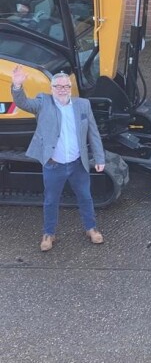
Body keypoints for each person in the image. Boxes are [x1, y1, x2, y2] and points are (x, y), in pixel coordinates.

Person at [10, 66, 105, 252]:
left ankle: (91, 228)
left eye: (66, 86)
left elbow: (93, 133)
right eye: (58, 86)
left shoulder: (82, 105)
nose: (62, 89)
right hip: (54, 164)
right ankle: (49, 233)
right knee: (51, 200)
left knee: (85, 197)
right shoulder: (43, 102)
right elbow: (23, 103)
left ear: (70, 87)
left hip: (78, 163)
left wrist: (99, 157)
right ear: (51, 88)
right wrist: (17, 85)